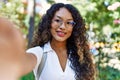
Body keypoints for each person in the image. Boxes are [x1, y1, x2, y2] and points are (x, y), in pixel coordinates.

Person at [0, 3, 96, 80]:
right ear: (49, 22)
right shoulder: (40, 52)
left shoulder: (79, 56)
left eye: (69, 23)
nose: (62, 26)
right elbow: (24, 62)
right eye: (58, 20)